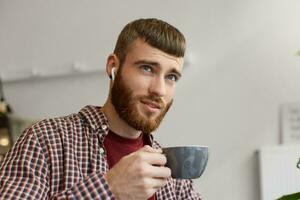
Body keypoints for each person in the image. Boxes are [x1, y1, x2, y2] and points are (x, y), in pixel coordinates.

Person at [0, 18, 202, 199]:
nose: (159, 90)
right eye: (147, 68)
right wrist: (109, 189)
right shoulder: (45, 141)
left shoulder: (175, 176)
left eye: (171, 77)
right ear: (113, 66)